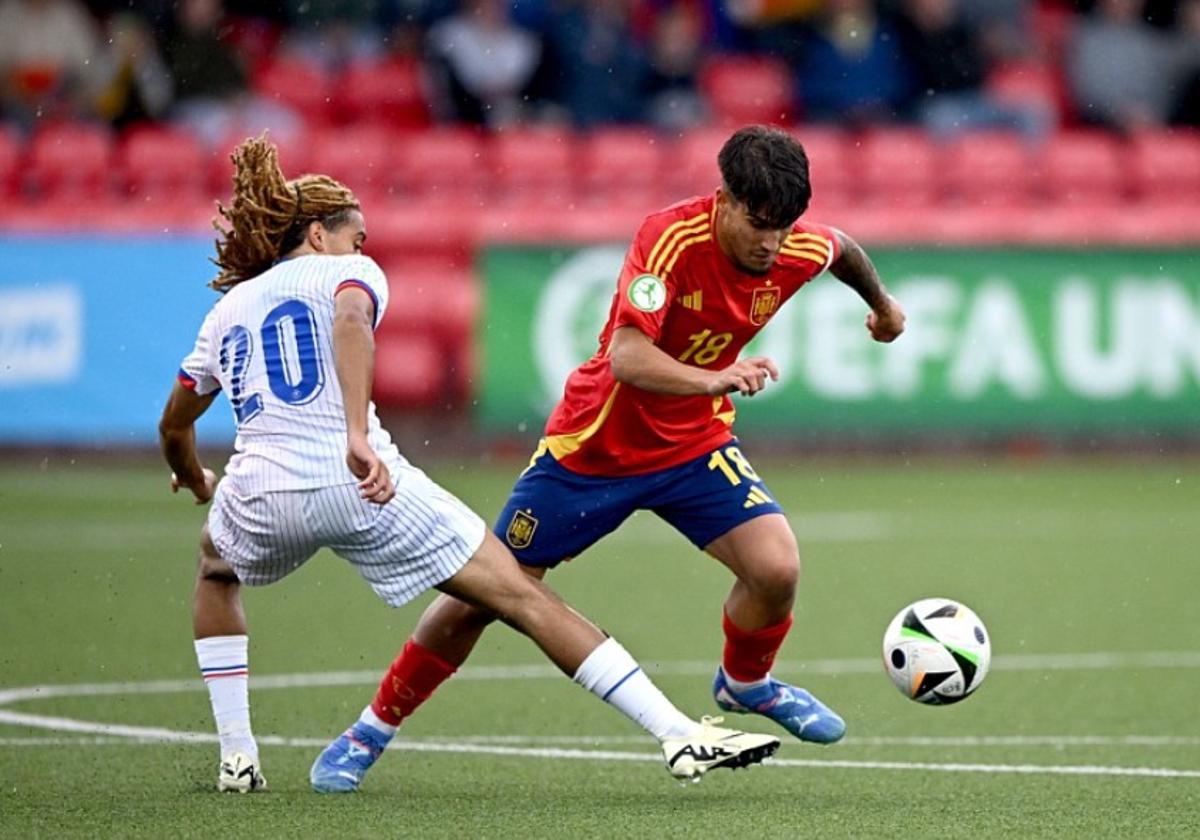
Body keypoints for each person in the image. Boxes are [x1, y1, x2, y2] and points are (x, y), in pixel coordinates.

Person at [158, 134, 780, 794]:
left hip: (262, 491)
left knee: (216, 570)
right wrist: (354, 433)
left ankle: (237, 755)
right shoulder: (350, 274)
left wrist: (196, 475)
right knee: (519, 595)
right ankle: (678, 733)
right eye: (355, 237)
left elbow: (175, 422)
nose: (361, 250)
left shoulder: (225, 311)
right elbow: (348, 321)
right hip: (365, 481)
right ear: (317, 235)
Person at [314, 124, 906, 790]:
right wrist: (713, 378)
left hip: (692, 443)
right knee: (483, 596)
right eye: (759, 223)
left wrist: (882, 308)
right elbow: (628, 358)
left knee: (776, 568)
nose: (772, 241)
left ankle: (746, 684)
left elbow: (843, 249)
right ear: (724, 200)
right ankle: (371, 729)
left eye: (783, 225)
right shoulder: (670, 240)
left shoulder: (794, 243)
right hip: (593, 450)